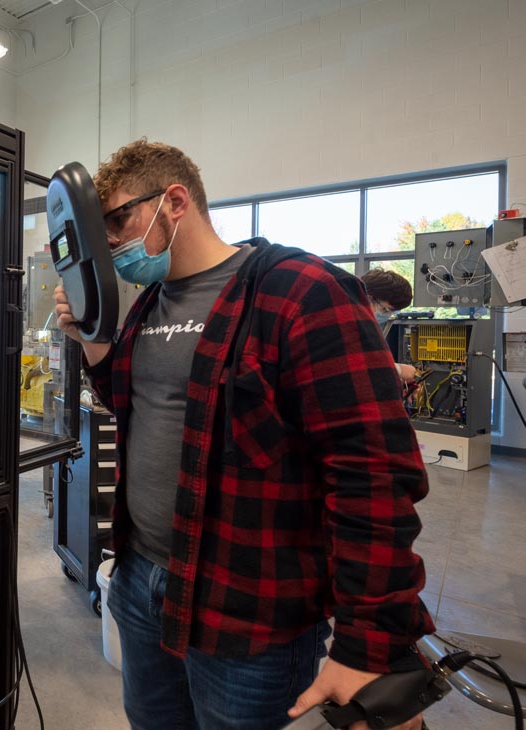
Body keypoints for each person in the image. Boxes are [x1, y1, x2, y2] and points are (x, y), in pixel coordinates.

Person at [53, 139, 434, 730]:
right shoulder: (149, 303)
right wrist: (93, 340)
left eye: (119, 221)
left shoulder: (301, 291)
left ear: (174, 201)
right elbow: (135, 405)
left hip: (249, 606)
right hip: (141, 580)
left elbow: (372, 475)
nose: (111, 243)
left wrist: (370, 644)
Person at [361, 268, 417, 383]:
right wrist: (397, 370)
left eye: (393, 312)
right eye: (385, 310)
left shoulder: (369, 326)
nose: (387, 315)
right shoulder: (336, 321)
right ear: (368, 298)